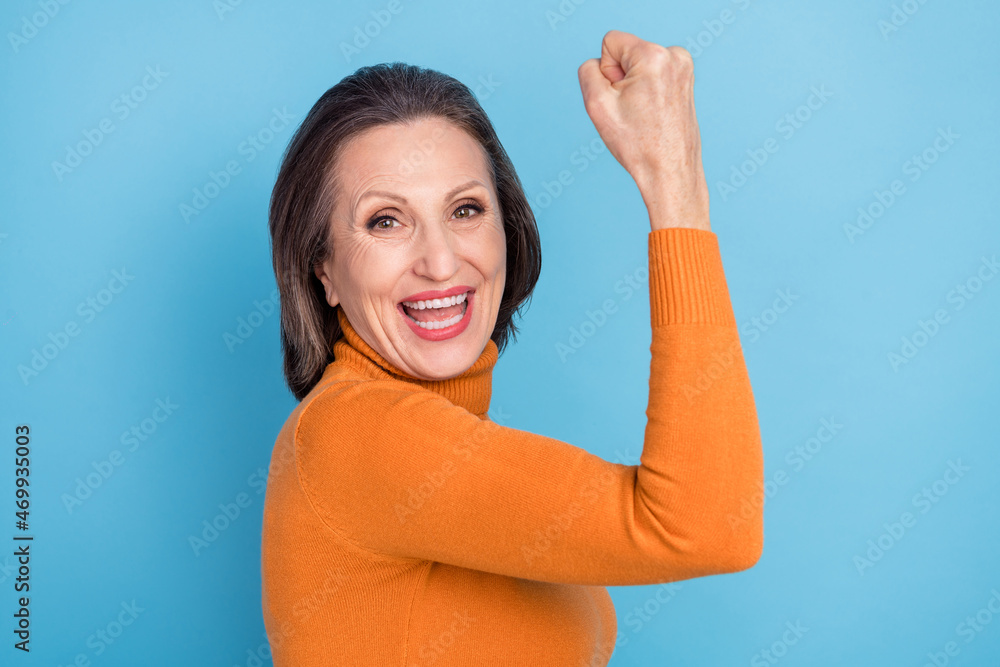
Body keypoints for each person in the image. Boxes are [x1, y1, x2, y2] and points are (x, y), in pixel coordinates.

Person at [261, 29, 764, 666]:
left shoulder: (438, 448)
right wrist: (677, 189)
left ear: (508, 228)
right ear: (323, 270)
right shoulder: (355, 433)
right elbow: (704, 526)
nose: (441, 262)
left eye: (466, 209)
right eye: (385, 220)